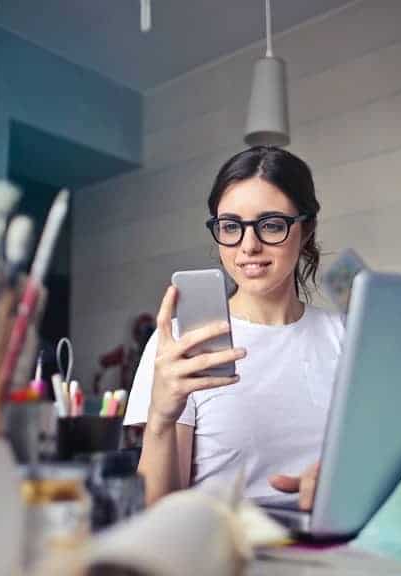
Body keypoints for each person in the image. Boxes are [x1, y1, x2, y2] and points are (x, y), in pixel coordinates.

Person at [124, 146, 344, 509]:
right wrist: (161, 418)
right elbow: (158, 509)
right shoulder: (182, 344)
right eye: (231, 227)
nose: (248, 246)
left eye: (271, 225)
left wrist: (340, 482)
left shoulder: (346, 336)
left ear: (306, 230)